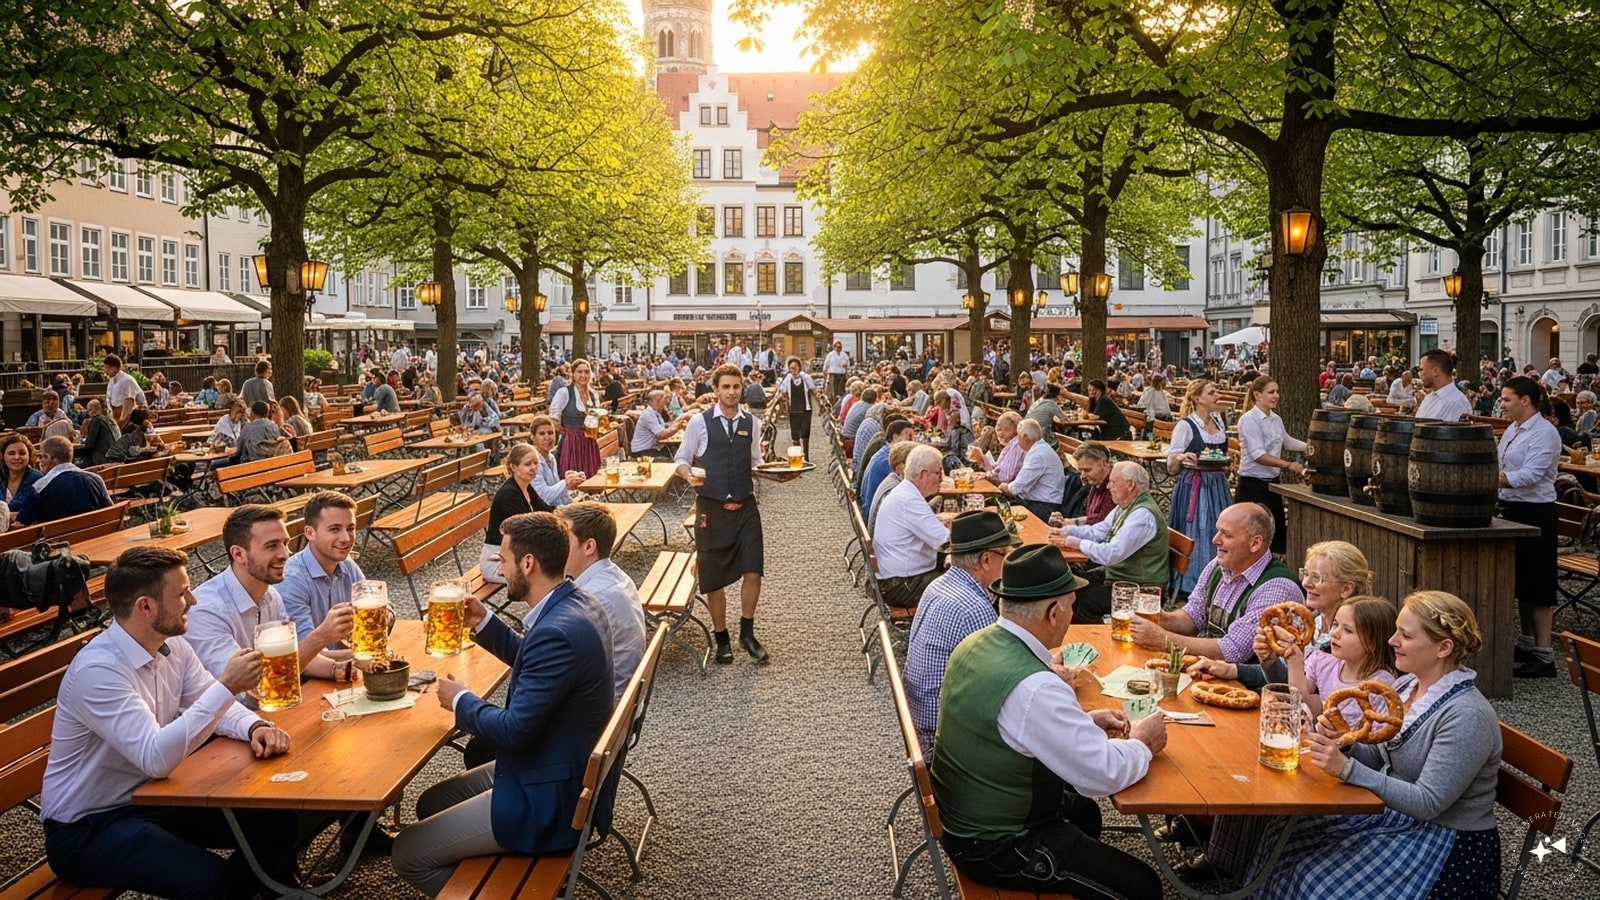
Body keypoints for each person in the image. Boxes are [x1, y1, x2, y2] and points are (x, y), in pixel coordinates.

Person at [39, 546, 298, 899]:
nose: (192, 600)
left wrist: (255, 727)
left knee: (277, 823)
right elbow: (156, 758)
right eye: (181, 593)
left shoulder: (171, 645)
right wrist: (228, 685)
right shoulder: (99, 671)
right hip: (89, 826)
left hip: (152, 798)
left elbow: (208, 699)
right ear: (145, 606)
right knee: (211, 882)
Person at [392, 512, 614, 896]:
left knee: (406, 853)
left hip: (549, 797)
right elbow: (536, 659)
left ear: (529, 563)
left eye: (504, 558)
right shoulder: (577, 602)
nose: (497, 564)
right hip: (559, 765)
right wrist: (484, 621)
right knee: (432, 802)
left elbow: (515, 730)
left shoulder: (557, 632)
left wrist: (460, 700)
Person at [930, 544, 1167, 899]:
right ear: (1054, 612)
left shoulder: (976, 643)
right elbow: (1101, 774)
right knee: (1144, 888)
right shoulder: (1035, 686)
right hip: (993, 844)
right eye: (1072, 606)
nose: (1073, 614)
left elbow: (1013, 724)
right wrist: (1143, 742)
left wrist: (1084, 720)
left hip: (966, 813)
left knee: (1085, 814)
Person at [1252, 592, 1501, 899]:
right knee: (1284, 834)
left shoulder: (1467, 716)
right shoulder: (1406, 686)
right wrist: (1343, 744)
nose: (1392, 641)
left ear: (1443, 648)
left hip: (1444, 843)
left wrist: (1347, 769)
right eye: (1396, 630)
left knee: (1315, 882)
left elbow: (1429, 802)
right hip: (1395, 814)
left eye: (1406, 635)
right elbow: (1379, 753)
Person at [187, 505, 356, 699]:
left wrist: (347, 665)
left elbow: (289, 661)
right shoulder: (207, 611)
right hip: (230, 723)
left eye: (285, 543)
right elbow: (248, 690)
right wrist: (321, 636)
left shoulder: (270, 595)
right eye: (272, 546)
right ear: (239, 554)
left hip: (268, 712)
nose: (285, 554)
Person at [674, 364, 771, 664]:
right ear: (715, 390)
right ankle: (722, 639)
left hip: (745, 505)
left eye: (736, 387)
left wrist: (777, 475)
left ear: (742, 389)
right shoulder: (699, 423)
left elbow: (756, 462)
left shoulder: (751, 424)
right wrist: (689, 476)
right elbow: (681, 459)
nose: (731, 392)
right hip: (711, 507)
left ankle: (747, 632)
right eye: (726, 387)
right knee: (713, 578)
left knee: (753, 570)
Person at [903, 510, 1019, 754]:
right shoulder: (973, 608)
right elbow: (1003, 688)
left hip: (922, 719)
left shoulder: (940, 585)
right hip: (943, 739)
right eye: (1005, 555)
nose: (1009, 563)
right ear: (986, 560)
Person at [1132, 503, 1303, 662]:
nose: (1215, 540)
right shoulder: (1220, 565)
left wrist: (1162, 640)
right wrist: (1161, 618)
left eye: (1226, 534)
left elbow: (1233, 651)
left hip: (1247, 687)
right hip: (1212, 672)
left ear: (1255, 543)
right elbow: (1194, 616)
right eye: (1218, 531)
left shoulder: (1277, 588)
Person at [1496, 375, 1563, 677]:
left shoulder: (1545, 433)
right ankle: (1526, 642)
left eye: (1507, 399)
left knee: (1539, 585)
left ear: (1525, 400)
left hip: (1536, 513)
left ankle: (1545, 654)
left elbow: (1532, 474)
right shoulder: (1513, 428)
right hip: (1512, 508)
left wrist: (1494, 479)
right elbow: (1504, 464)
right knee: (1521, 582)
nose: (1503, 404)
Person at [1051, 461, 1169, 623]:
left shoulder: (1142, 515)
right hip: (1120, 577)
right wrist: (1066, 531)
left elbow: (1111, 554)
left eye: (1113, 482)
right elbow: (1098, 531)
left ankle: (1102, 641)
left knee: (1081, 601)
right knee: (1070, 583)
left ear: (1130, 485)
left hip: (1142, 589)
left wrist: (1075, 543)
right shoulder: (1126, 506)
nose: (1108, 487)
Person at [557, 502, 647, 700]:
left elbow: (556, 663)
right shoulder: (615, 576)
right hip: (620, 701)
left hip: (602, 712)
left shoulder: (591, 598)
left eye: (564, 539)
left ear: (589, 546)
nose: (557, 546)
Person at [1166, 379, 1231, 598]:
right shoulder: (1186, 425)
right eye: (1212, 393)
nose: (1217, 396)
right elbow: (1171, 466)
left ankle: (1219, 581)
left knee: (1218, 530)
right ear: (1197, 398)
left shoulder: (1219, 422)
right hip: (1195, 485)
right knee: (1199, 531)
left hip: (1217, 485)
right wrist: (1182, 456)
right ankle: (1192, 584)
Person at [278, 491, 366, 645]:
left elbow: (380, 608)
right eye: (334, 529)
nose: (346, 538)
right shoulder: (292, 580)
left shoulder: (347, 564)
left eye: (350, 528)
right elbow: (303, 654)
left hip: (344, 663)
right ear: (310, 533)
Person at [873, 444, 953, 609]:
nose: (942, 478)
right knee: (969, 579)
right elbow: (946, 542)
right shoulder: (909, 500)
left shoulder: (905, 492)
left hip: (895, 575)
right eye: (938, 473)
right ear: (923, 474)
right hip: (901, 585)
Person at [1235, 376, 1307, 554]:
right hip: (1252, 484)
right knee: (1251, 537)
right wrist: (1289, 465)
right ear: (1258, 395)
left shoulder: (1276, 419)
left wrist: (1310, 447)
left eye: (1277, 391)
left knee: (1275, 535)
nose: (1276, 396)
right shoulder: (1249, 420)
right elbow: (1258, 455)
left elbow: (1286, 441)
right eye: (1271, 392)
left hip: (1272, 483)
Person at [481, 443, 554, 584]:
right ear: (514, 467)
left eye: (535, 463)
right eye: (527, 464)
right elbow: (526, 532)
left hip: (518, 555)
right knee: (548, 575)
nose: (533, 468)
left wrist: (569, 515)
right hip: (497, 561)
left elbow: (547, 512)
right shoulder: (509, 494)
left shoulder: (526, 487)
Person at [8, 436, 112, 526]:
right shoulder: (96, 479)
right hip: (92, 536)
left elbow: (23, 523)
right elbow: (109, 511)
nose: (40, 461)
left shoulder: (41, 487)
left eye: (41, 457)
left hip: (56, 543)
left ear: (49, 458)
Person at [999, 419, 1067, 521]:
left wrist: (1004, 487)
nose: (1017, 440)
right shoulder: (1040, 448)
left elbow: (1015, 489)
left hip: (1044, 507)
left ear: (1025, 437)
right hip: (1042, 503)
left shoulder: (1037, 454)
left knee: (997, 510)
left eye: (1018, 436)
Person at [551, 358, 601, 478]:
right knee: (572, 477)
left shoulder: (593, 394)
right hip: (571, 442)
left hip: (589, 441)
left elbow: (597, 416)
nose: (583, 375)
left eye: (586, 372)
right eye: (579, 372)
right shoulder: (564, 393)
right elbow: (553, 418)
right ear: (572, 374)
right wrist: (563, 433)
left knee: (589, 477)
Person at [1415, 348, 1473, 422]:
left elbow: (1454, 433)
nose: (1419, 374)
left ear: (1435, 371)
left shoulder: (1457, 403)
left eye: (1421, 369)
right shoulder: (1429, 398)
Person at [973, 411, 1025, 485]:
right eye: (999, 429)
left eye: (1006, 430)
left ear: (1016, 431)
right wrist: (983, 462)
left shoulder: (1016, 444)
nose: (1001, 434)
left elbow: (1006, 477)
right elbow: (999, 470)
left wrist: (986, 475)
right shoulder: (1010, 445)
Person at [631, 390, 688, 459]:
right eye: (665, 398)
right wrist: (678, 427)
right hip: (642, 451)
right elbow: (661, 435)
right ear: (658, 400)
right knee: (671, 456)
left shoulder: (656, 413)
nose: (667, 401)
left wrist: (679, 421)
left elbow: (665, 426)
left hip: (651, 448)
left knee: (673, 451)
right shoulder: (648, 414)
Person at [0, 432, 42, 510]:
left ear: (29, 456)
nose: (16, 457)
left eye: (22, 453)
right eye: (11, 453)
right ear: (3, 456)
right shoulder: (1, 476)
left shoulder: (37, 479)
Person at [102, 354, 147, 428]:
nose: (106, 371)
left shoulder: (126, 380)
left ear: (117, 368)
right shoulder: (111, 381)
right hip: (116, 415)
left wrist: (120, 424)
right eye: (105, 368)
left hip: (134, 418)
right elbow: (109, 401)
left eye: (109, 368)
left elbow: (129, 404)